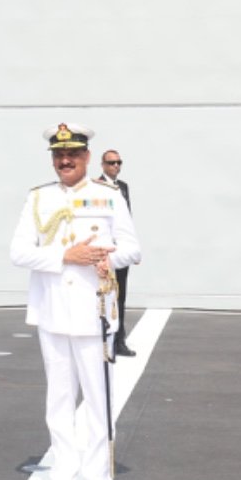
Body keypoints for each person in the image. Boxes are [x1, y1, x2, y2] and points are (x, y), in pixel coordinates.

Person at [11, 122, 139, 480]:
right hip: (53, 312)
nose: (64, 161)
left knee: (98, 404)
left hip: (93, 313)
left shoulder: (108, 196)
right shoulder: (38, 198)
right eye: (58, 155)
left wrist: (103, 257)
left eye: (72, 154)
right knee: (59, 403)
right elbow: (18, 252)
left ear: (86, 157)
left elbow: (132, 249)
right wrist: (65, 256)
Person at [94, 149, 137, 357]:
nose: (116, 166)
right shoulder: (97, 187)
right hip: (104, 252)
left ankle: (119, 342)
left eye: (119, 162)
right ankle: (103, 339)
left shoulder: (123, 187)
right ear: (103, 165)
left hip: (120, 252)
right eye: (111, 163)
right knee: (104, 295)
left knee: (120, 296)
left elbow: (127, 221)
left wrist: (131, 249)